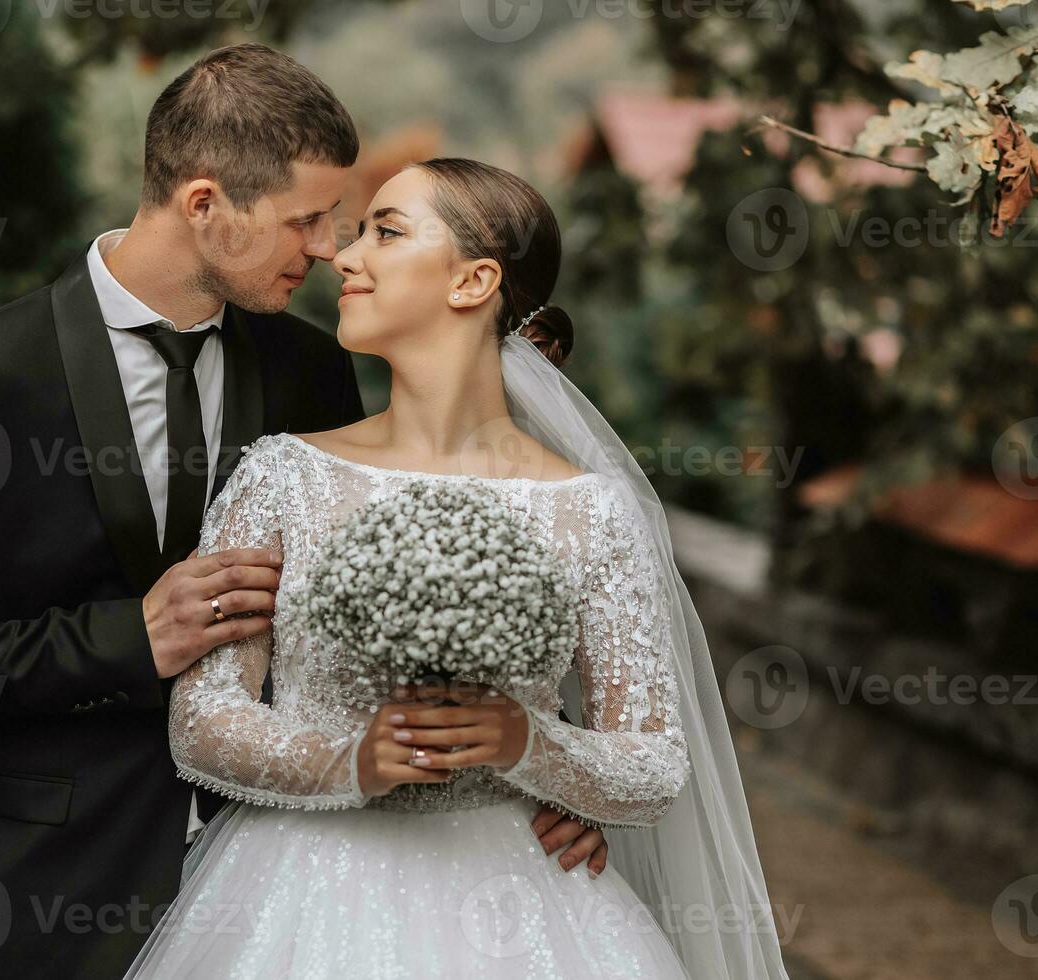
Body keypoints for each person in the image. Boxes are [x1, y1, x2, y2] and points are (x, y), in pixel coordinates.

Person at [0, 45, 605, 977]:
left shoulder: (311, 368)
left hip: (296, 883)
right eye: (304, 221)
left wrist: (538, 773)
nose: (326, 250)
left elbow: (374, 610)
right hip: (55, 889)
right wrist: (126, 640)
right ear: (204, 206)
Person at [123, 159, 791, 978]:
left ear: (475, 281)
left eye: (387, 231)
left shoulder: (592, 511)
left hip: (522, 903)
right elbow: (202, 723)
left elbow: (651, 766)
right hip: (301, 893)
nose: (345, 255)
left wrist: (529, 745)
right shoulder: (282, 477)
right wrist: (349, 762)